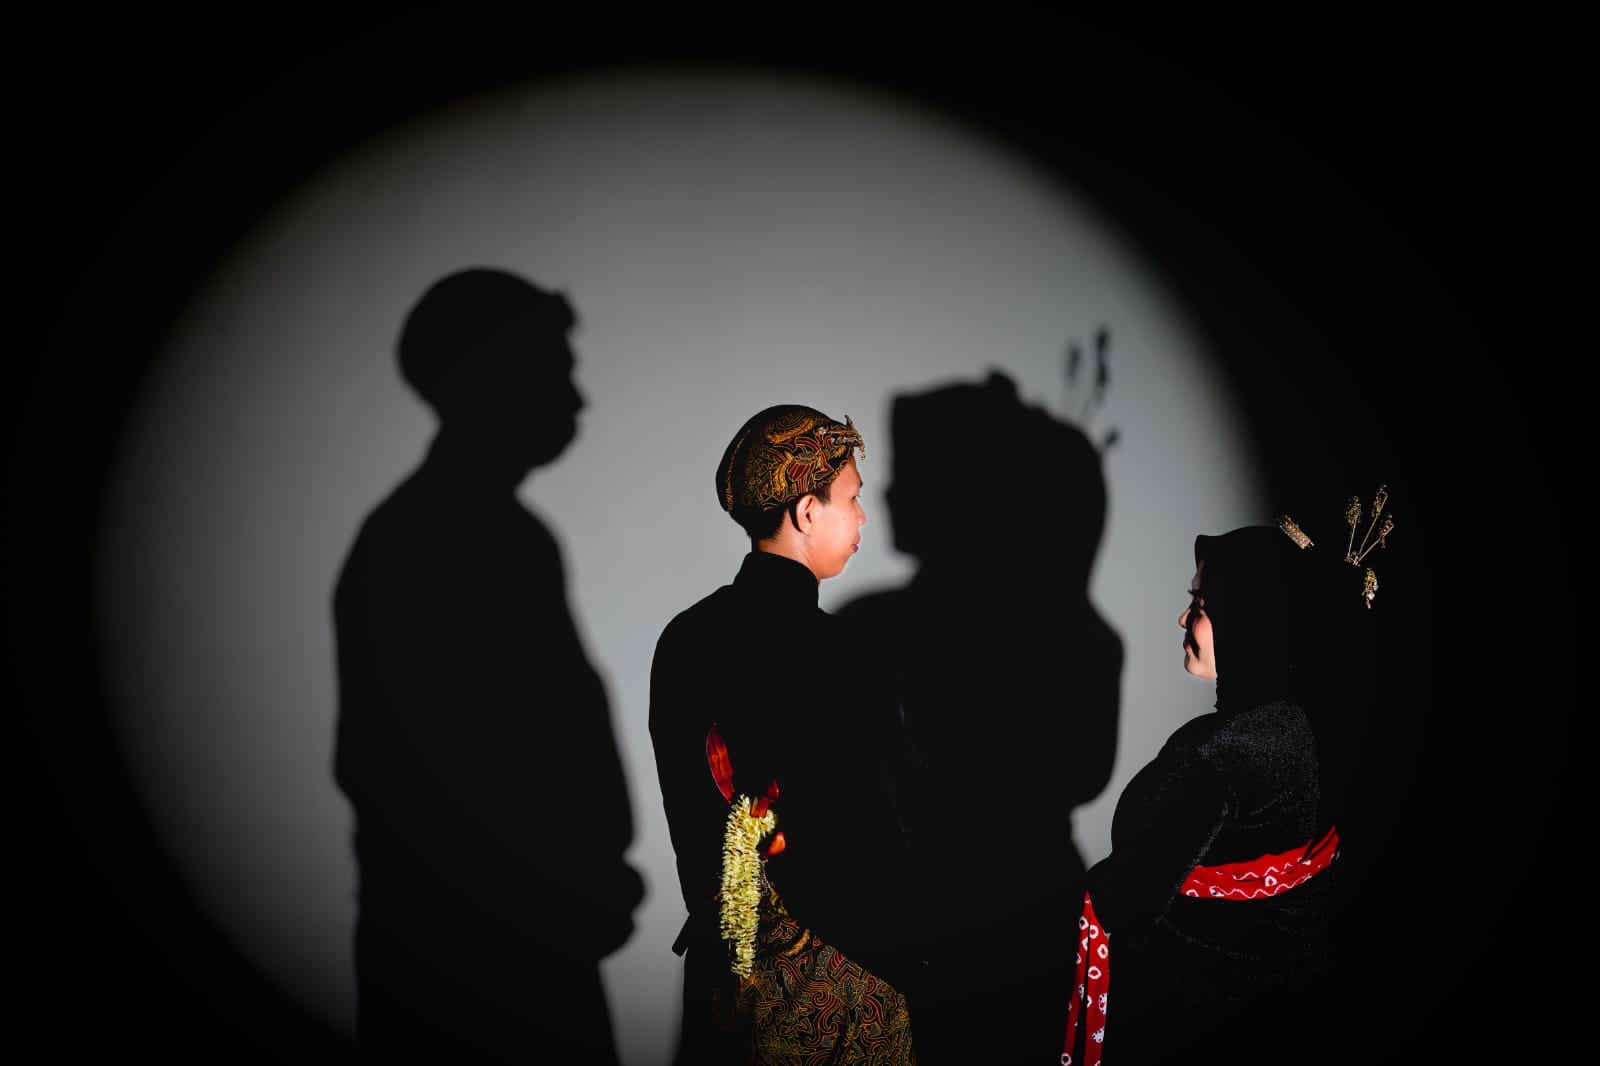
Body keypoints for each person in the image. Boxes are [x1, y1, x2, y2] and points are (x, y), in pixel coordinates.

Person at [332, 268, 644, 1062]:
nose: (578, 400)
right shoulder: (443, 542)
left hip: (517, 941)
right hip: (487, 965)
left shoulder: (485, 535)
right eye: (556, 371)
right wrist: (560, 883)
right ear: (495, 376)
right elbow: (420, 769)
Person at [835, 371, 1121, 1065]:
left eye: (913, 474)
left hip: (983, 940)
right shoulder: (1074, 637)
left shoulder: (872, 633)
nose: (887, 495)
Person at [1063, 493, 1394, 1065]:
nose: (1182, 619)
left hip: (1193, 1020)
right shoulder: (1310, 731)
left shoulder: (1216, 754)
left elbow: (1126, 903)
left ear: (1250, 616)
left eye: (1200, 603)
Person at [648, 404, 928, 1066]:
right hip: (844, 977)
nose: (862, 518)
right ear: (806, 512)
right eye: (851, 499)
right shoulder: (845, 653)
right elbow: (879, 830)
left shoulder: (684, 638)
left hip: (726, 969)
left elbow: (693, 818)